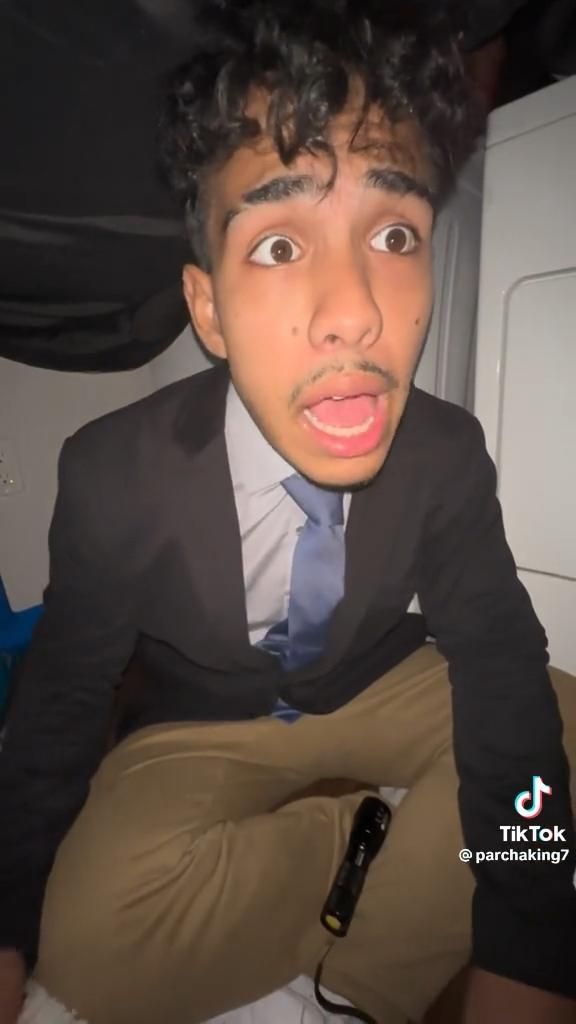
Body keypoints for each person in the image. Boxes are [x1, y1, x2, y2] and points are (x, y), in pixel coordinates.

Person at [1, 2, 576, 1022]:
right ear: (208, 306)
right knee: (83, 944)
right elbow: (59, 703)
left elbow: (495, 663)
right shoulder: (110, 474)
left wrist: (531, 946)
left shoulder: (445, 456)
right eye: (277, 245)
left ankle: (354, 989)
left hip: (374, 681)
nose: (353, 306)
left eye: (393, 232)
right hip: (204, 723)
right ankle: (369, 836)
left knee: (559, 725)